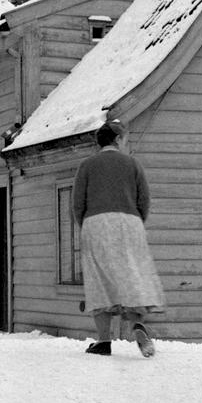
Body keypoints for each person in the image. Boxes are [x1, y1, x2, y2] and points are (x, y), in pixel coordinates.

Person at [72, 119, 165, 357]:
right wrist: (135, 222)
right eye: (124, 139)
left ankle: (104, 341)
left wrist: (87, 226)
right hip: (129, 222)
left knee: (99, 280)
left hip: (96, 222)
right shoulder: (132, 164)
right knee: (133, 275)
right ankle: (137, 325)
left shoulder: (87, 165)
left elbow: (78, 203)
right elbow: (144, 199)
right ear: (117, 139)